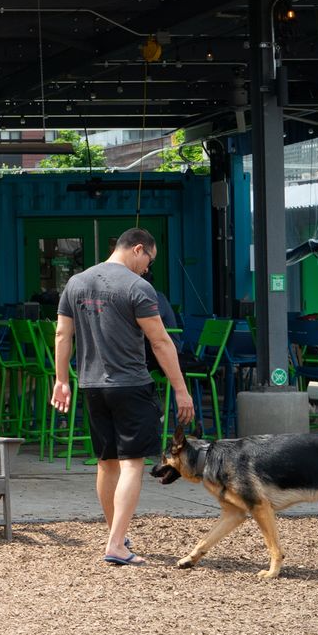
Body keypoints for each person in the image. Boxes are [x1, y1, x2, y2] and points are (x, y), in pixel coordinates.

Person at [50, 228, 195, 567]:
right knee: (132, 463)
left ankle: (116, 533)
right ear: (138, 249)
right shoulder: (137, 287)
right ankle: (116, 544)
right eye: (149, 261)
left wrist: (61, 380)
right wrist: (180, 389)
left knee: (106, 462)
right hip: (130, 384)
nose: (148, 269)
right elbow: (160, 342)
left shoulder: (76, 283)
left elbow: (61, 334)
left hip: (90, 386)